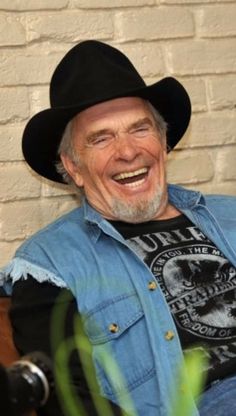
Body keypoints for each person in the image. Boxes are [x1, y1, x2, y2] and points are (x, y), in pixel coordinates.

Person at [1, 40, 236, 416]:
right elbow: (65, 394)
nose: (128, 152)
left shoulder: (230, 214)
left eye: (140, 129)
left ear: (162, 142)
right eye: (102, 138)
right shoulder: (50, 263)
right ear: (73, 167)